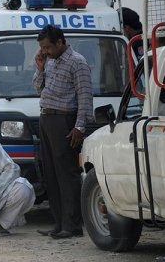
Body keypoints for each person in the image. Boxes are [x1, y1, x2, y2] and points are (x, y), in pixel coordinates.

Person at [33, 25, 93, 239]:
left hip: (64, 120)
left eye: (47, 47)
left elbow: (85, 96)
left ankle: (73, 225)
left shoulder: (77, 62)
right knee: (51, 174)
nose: (45, 51)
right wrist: (40, 68)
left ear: (60, 42)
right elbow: (40, 89)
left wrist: (79, 126)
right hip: (47, 118)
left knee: (67, 174)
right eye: (42, 48)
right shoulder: (49, 62)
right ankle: (59, 224)